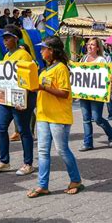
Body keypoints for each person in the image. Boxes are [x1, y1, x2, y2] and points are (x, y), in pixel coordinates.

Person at [27, 36, 83, 198]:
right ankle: (42, 185)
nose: (41, 51)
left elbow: (64, 93)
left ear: (52, 51)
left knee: (62, 150)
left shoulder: (61, 68)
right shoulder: (44, 69)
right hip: (43, 115)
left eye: (44, 48)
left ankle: (76, 180)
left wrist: (42, 87)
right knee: (43, 151)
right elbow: (39, 89)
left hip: (58, 117)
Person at [0, 24, 36, 176]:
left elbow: (28, 80)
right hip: (6, 100)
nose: (4, 41)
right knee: (0, 126)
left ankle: (28, 164)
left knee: (23, 130)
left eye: (7, 38)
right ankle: (4, 162)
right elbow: (6, 76)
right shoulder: (7, 55)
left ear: (15, 39)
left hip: (20, 100)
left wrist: (25, 101)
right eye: (3, 38)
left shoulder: (24, 55)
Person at [78, 38, 112, 151]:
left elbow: (109, 74)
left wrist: (111, 78)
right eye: (88, 44)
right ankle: (88, 143)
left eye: (92, 45)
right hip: (84, 94)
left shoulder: (101, 60)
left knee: (97, 118)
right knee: (86, 119)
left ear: (98, 47)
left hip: (97, 95)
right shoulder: (83, 59)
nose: (90, 46)